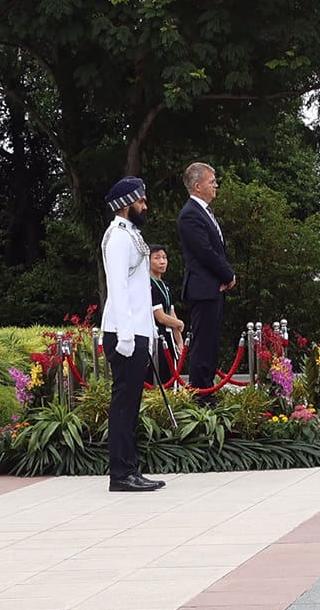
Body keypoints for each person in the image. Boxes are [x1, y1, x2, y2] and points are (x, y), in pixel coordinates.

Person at [101, 179, 164, 493]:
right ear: (128, 203)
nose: (145, 206)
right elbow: (118, 289)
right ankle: (121, 474)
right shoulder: (118, 238)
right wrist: (127, 336)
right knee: (124, 406)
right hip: (123, 333)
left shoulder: (131, 235)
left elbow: (139, 292)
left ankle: (130, 469)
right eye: (142, 200)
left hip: (137, 332)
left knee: (131, 405)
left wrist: (147, 334)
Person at [178, 162, 236, 391]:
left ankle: (208, 390)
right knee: (203, 345)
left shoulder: (205, 211)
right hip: (202, 288)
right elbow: (205, 252)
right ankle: (201, 393)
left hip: (213, 287)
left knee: (211, 344)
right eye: (212, 181)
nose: (216, 185)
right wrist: (228, 274)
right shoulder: (190, 214)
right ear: (197, 185)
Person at [148, 246, 184, 387]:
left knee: (172, 375)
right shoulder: (149, 285)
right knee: (161, 375)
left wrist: (179, 342)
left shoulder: (165, 285)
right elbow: (161, 317)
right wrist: (179, 323)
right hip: (157, 337)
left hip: (169, 338)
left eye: (164, 257)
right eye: (157, 258)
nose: (162, 261)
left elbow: (171, 313)